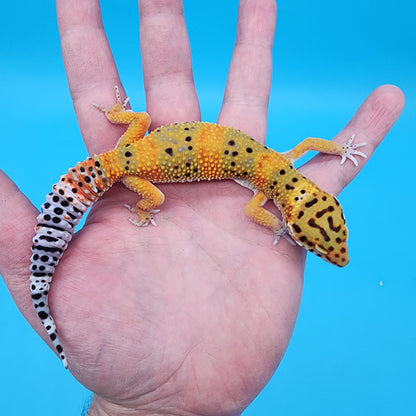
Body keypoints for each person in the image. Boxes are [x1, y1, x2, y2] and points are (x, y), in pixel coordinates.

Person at [0, 0, 404, 415]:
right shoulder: (268, 188)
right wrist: (279, 229)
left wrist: (338, 149)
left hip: (134, 145)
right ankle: (135, 211)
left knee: (140, 127)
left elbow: (309, 145)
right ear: (312, 212)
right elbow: (253, 213)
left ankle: (118, 135)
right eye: (315, 244)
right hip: (133, 171)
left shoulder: (284, 162)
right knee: (154, 199)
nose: (318, 249)